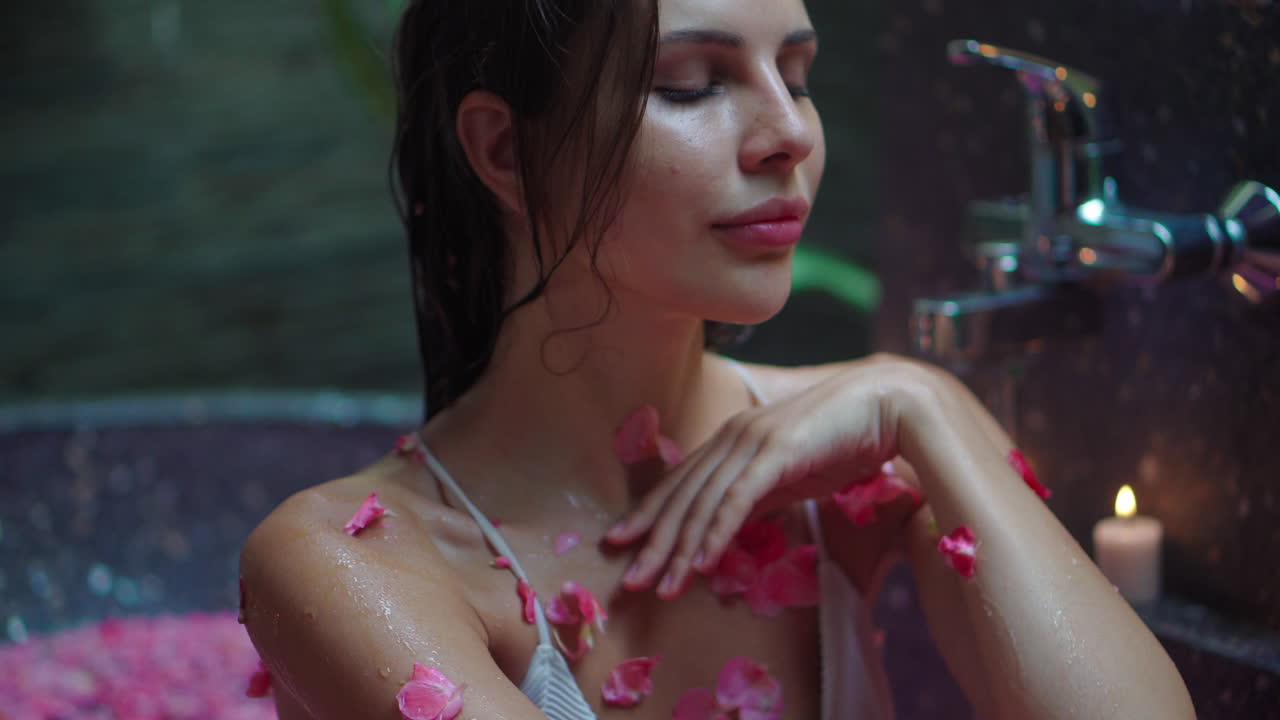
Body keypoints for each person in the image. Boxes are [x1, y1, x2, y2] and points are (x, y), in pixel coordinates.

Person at [239, 0, 1196, 718]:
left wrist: (924, 401)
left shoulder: (881, 439)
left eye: (800, 75)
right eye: (693, 84)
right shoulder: (345, 563)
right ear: (506, 151)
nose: (790, 135)